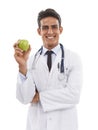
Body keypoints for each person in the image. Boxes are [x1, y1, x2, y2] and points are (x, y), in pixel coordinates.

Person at [13, 8, 82, 130]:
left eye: (54, 27)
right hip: (37, 125)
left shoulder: (73, 58)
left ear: (60, 30)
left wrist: (39, 97)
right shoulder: (31, 60)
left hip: (65, 125)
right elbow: (24, 98)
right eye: (45, 28)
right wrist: (22, 66)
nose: (50, 32)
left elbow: (73, 95)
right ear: (39, 31)